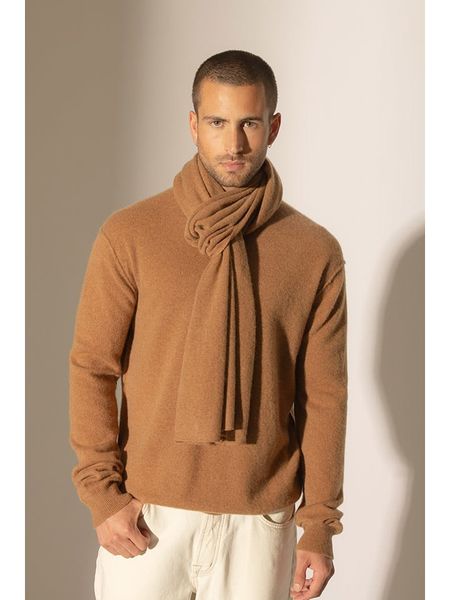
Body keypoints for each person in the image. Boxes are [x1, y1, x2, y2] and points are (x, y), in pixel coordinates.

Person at [69, 49, 348, 600]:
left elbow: (324, 397)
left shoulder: (314, 251)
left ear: (273, 127)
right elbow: (92, 367)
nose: (234, 143)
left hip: (260, 520)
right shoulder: (131, 234)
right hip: (148, 514)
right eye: (218, 123)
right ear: (193, 125)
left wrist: (318, 523)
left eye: (249, 123)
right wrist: (102, 494)